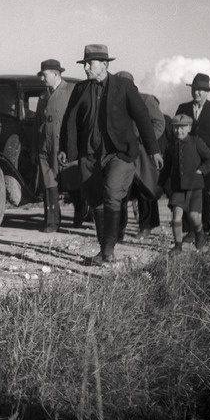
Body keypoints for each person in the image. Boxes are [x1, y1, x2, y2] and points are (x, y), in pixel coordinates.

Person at [59, 44, 163, 266]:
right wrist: (65, 149)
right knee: (95, 199)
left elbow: (143, 119)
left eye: (90, 63)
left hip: (119, 153)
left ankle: (108, 250)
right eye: (85, 63)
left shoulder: (123, 87)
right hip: (90, 155)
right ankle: (102, 249)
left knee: (111, 192)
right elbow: (69, 120)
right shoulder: (80, 89)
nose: (86, 67)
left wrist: (153, 149)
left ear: (105, 64)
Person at [175, 73, 210, 243]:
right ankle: (191, 232)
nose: (197, 93)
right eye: (194, 89)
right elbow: (175, 133)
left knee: (209, 196)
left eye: (201, 90)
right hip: (188, 162)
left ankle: (209, 232)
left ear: (207, 92)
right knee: (188, 196)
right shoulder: (183, 108)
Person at [115, 71, 166, 241]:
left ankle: (146, 226)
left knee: (146, 189)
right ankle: (119, 228)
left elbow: (159, 123)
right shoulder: (114, 104)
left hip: (143, 155)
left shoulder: (146, 100)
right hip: (123, 154)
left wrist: (146, 141)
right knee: (121, 191)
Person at [157, 114, 210, 254]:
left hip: (195, 187)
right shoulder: (171, 146)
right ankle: (178, 246)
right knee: (176, 215)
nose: (179, 131)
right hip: (177, 188)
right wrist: (159, 185)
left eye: (182, 128)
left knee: (193, 217)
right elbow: (166, 168)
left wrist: (201, 170)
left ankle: (200, 232)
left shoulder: (196, 142)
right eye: (176, 128)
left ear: (189, 128)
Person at [33, 59, 77, 233]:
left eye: (44, 75)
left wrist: (72, 147)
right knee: (49, 184)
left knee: (73, 181)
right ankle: (52, 222)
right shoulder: (43, 96)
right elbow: (37, 123)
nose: (42, 79)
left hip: (64, 144)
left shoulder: (71, 91)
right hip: (46, 144)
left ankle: (81, 213)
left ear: (55, 74)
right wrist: (36, 148)